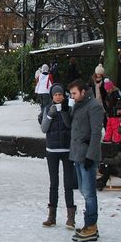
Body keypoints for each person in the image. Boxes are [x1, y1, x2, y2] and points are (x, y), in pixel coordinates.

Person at [68, 79, 104, 242]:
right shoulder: (79, 104)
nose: (72, 96)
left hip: (87, 156)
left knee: (89, 193)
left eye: (74, 93)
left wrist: (91, 155)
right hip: (78, 155)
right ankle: (89, 225)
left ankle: (91, 226)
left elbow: (97, 133)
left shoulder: (94, 106)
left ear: (83, 91)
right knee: (83, 190)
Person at [40, 84, 76, 229]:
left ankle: (71, 217)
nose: (58, 96)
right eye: (55, 94)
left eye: (60, 94)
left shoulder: (69, 108)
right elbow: (43, 128)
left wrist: (64, 112)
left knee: (68, 184)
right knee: (53, 183)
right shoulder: (47, 108)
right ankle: (51, 216)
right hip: (52, 150)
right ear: (52, 96)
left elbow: (70, 126)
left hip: (67, 149)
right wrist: (50, 115)